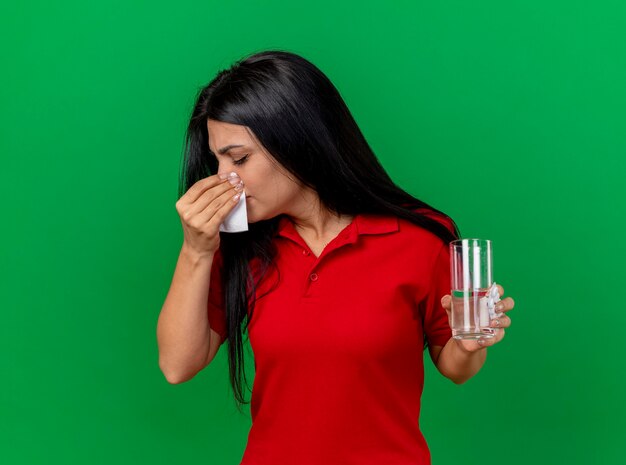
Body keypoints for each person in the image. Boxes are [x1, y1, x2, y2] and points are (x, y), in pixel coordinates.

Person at [156, 50, 515, 465]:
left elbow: (454, 367)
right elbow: (177, 366)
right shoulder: (239, 244)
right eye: (217, 159)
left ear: (297, 142)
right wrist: (196, 250)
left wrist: (470, 344)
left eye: (238, 158)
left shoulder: (420, 237)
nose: (222, 178)